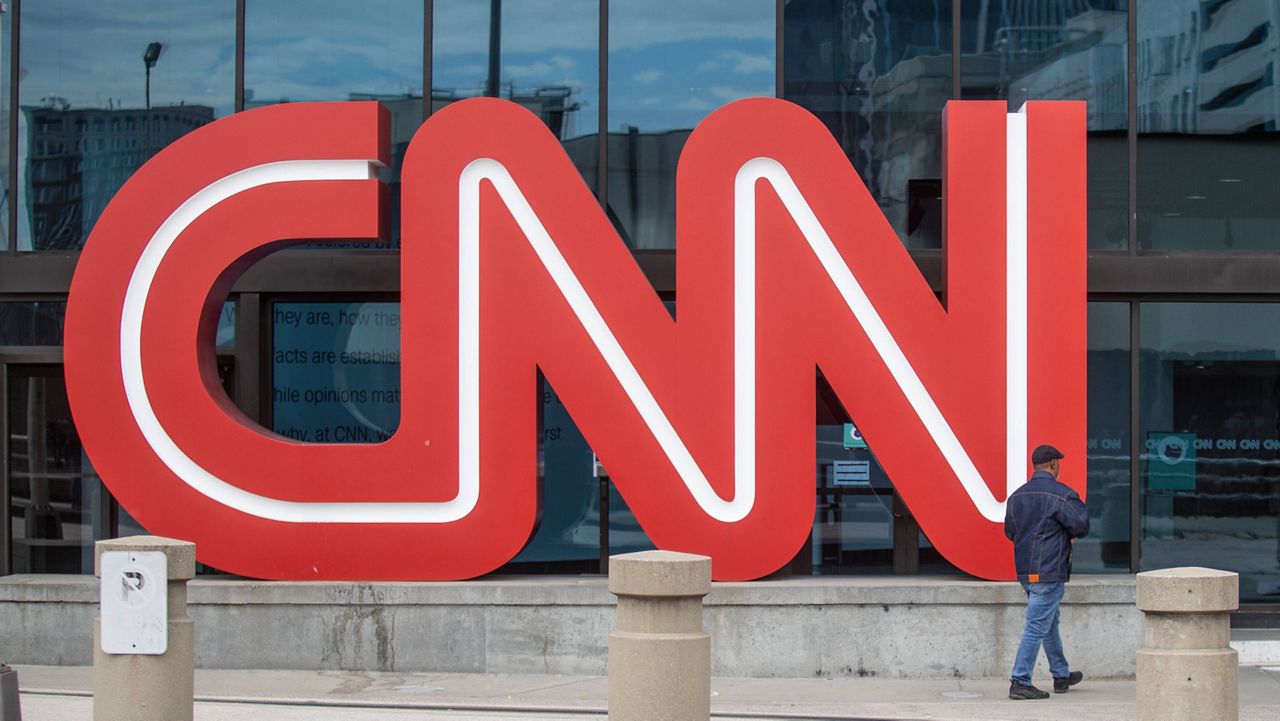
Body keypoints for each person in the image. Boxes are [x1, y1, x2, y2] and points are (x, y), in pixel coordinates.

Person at [1004, 444, 1090, 700]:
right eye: (1058, 463)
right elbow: (1082, 525)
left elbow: (1010, 532)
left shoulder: (1016, 497)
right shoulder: (1062, 495)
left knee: (1048, 623)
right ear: (1053, 464)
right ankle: (1020, 681)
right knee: (1036, 626)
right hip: (1049, 570)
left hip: (1026, 572)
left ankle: (1061, 674)